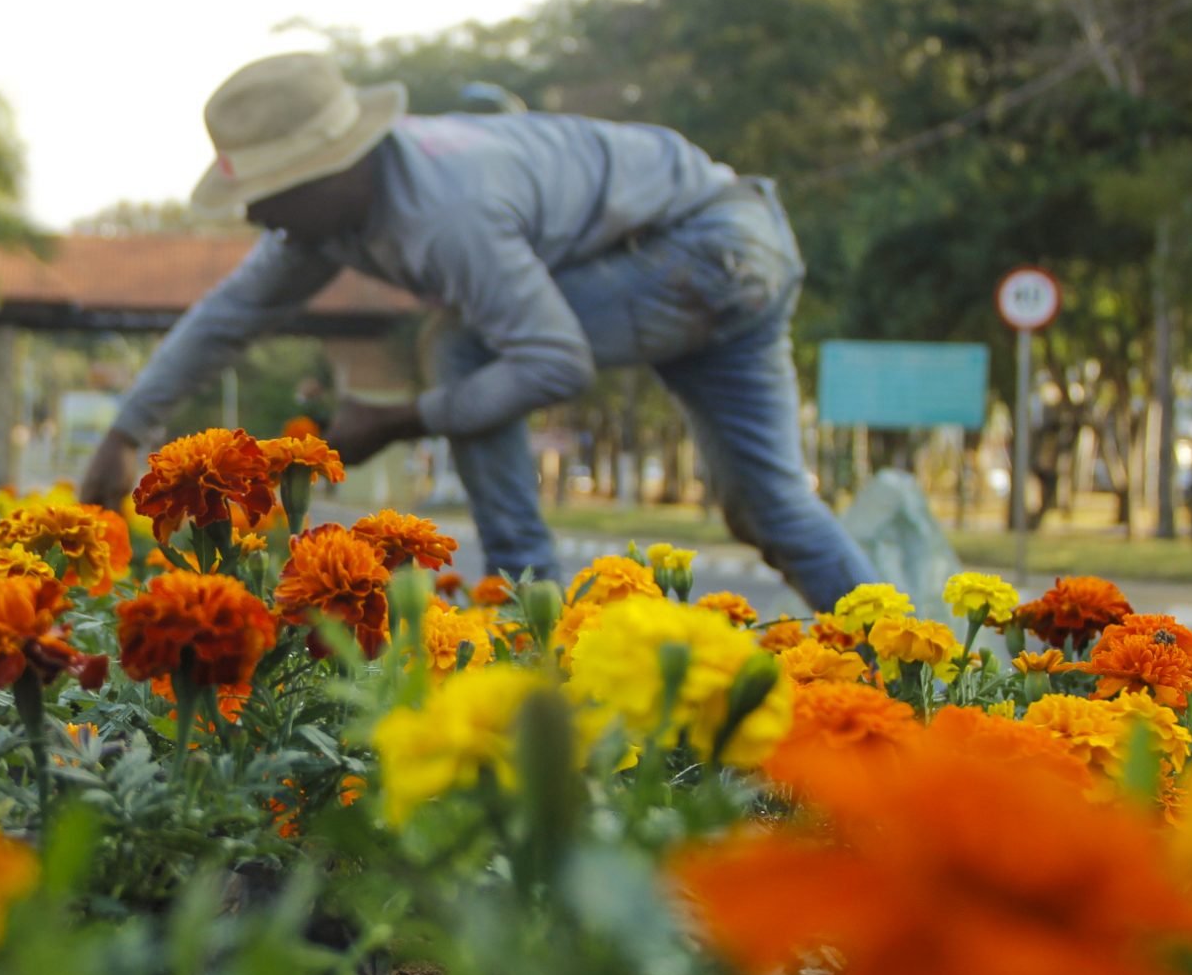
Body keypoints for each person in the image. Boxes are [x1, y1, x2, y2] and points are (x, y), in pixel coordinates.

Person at [77, 54, 877, 609]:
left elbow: (553, 359)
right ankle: (909, 671)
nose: (255, 214)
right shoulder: (329, 218)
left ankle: (525, 608)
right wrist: (126, 432)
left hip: (702, 248)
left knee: (466, 347)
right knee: (772, 507)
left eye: (267, 191)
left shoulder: (444, 211)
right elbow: (228, 315)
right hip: (745, 240)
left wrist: (401, 420)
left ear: (330, 169)